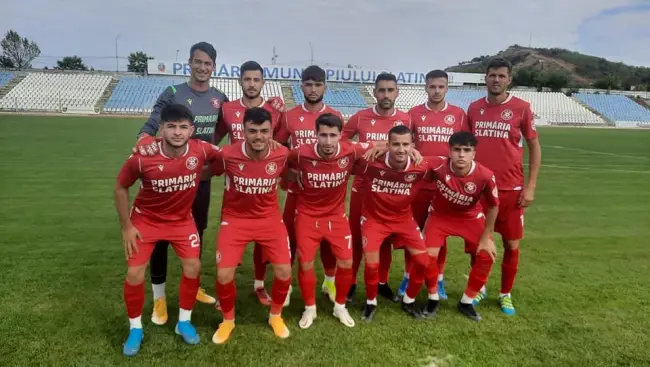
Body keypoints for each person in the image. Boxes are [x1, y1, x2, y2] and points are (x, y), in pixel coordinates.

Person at [132, 44, 284, 320]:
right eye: (198, 62)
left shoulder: (219, 99)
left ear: (214, 66)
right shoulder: (174, 93)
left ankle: (196, 285)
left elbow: (222, 135)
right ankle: (159, 297)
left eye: (208, 63)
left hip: (198, 176)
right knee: (161, 236)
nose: (203, 68)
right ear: (190, 63)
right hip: (170, 172)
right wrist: (145, 136)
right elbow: (156, 118)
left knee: (195, 231)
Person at [115, 104, 221, 356]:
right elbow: (120, 187)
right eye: (171, 127)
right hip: (145, 221)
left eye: (183, 127)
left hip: (181, 221)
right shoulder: (143, 155)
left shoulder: (201, 149)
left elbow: (226, 160)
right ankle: (135, 329)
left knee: (193, 267)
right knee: (134, 273)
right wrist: (126, 227)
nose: (177, 132)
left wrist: (201, 173)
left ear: (192, 130)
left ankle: (184, 321)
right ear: (161, 129)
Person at [205, 107, 292, 344]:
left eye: (264, 131)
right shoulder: (228, 154)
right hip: (235, 220)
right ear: (242, 131)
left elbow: (293, 172)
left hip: (269, 220)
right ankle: (228, 320)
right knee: (224, 275)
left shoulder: (282, 154)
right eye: (252, 131)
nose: (258, 137)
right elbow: (207, 170)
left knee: (285, 271)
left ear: (271, 131)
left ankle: (275, 316)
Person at [466, 57, 542, 316]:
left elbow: (534, 146)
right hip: (479, 189)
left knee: (511, 245)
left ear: (509, 79)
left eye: (501, 76)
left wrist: (530, 186)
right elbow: (465, 148)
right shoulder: (474, 108)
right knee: (478, 242)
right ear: (485, 78)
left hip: (511, 189)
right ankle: (479, 287)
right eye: (492, 75)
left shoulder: (521, 108)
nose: (496, 80)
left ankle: (505, 293)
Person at [287, 113, 376, 329]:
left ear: (340, 135)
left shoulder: (351, 149)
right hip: (307, 215)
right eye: (323, 135)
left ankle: (340, 306)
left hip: (336, 216)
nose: (328, 141)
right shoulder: (300, 153)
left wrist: (408, 148)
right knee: (305, 262)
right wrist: (292, 176)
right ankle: (310, 308)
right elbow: (283, 162)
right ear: (315, 134)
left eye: (333, 135)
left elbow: (385, 144)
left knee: (346, 262)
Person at [214, 60, 283, 306]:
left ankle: (259, 285)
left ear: (263, 82)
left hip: (263, 178)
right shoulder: (228, 108)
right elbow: (215, 137)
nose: (251, 84)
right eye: (247, 79)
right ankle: (225, 292)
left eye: (256, 80)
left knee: (263, 239)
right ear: (240, 81)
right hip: (236, 181)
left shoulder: (274, 109)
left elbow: (281, 139)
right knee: (233, 234)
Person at [274, 65, 343, 304]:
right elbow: (276, 148)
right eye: (308, 84)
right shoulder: (290, 116)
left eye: (318, 84)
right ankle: (287, 285)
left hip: (327, 192)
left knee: (328, 239)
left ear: (325, 86)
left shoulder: (335, 115)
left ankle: (330, 282)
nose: (313, 89)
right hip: (297, 191)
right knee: (291, 238)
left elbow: (343, 151)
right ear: (301, 85)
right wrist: (287, 172)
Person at [397, 70, 468, 300]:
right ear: (426, 88)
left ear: (447, 88)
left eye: (441, 87)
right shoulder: (413, 114)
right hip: (418, 183)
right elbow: (406, 143)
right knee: (413, 233)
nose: (436, 91)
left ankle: (438, 279)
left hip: (445, 185)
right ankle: (407, 277)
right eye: (432, 87)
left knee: (440, 235)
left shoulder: (458, 115)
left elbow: (463, 149)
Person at [343, 72, 412, 303]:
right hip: (363, 187)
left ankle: (381, 282)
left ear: (397, 92)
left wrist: (387, 147)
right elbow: (342, 143)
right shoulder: (360, 117)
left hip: (390, 189)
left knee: (385, 239)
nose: (385, 94)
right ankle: (351, 283)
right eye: (381, 90)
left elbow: (412, 149)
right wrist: (374, 145)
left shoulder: (406, 119)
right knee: (356, 236)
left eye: (390, 90)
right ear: (374, 92)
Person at [353, 125, 430, 321]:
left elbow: (449, 165)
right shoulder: (370, 161)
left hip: (403, 219)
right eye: (395, 144)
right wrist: (376, 145)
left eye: (406, 144)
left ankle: (409, 300)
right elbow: (344, 147)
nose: (401, 149)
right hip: (374, 219)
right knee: (371, 265)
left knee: (422, 261)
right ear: (388, 145)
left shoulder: (421, 165)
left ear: (413, 145)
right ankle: (370, 303)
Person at [421, 131, 499, 321]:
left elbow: (494, 206)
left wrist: (486, 237)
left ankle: (466, 301)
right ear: (449, 151)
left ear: (474, 153)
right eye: (457, 150)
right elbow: (409, 155)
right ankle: (433, 297)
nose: (461, 155)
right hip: (441, 215)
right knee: (427, 256)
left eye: (467, 150)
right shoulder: (438, 164)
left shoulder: (485, 175)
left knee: (486, 255)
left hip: (470, 217)